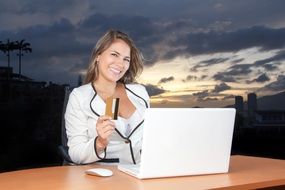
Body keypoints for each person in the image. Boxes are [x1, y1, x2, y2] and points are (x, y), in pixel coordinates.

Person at [65, 29, 150, 165]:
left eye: (126, 59)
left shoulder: (140, 92)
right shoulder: (79, 96)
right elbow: (75, 153)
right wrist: (100, 143)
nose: (120, 64)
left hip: (141, 174)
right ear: (98, 56)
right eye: (114, 54)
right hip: (103, 178)